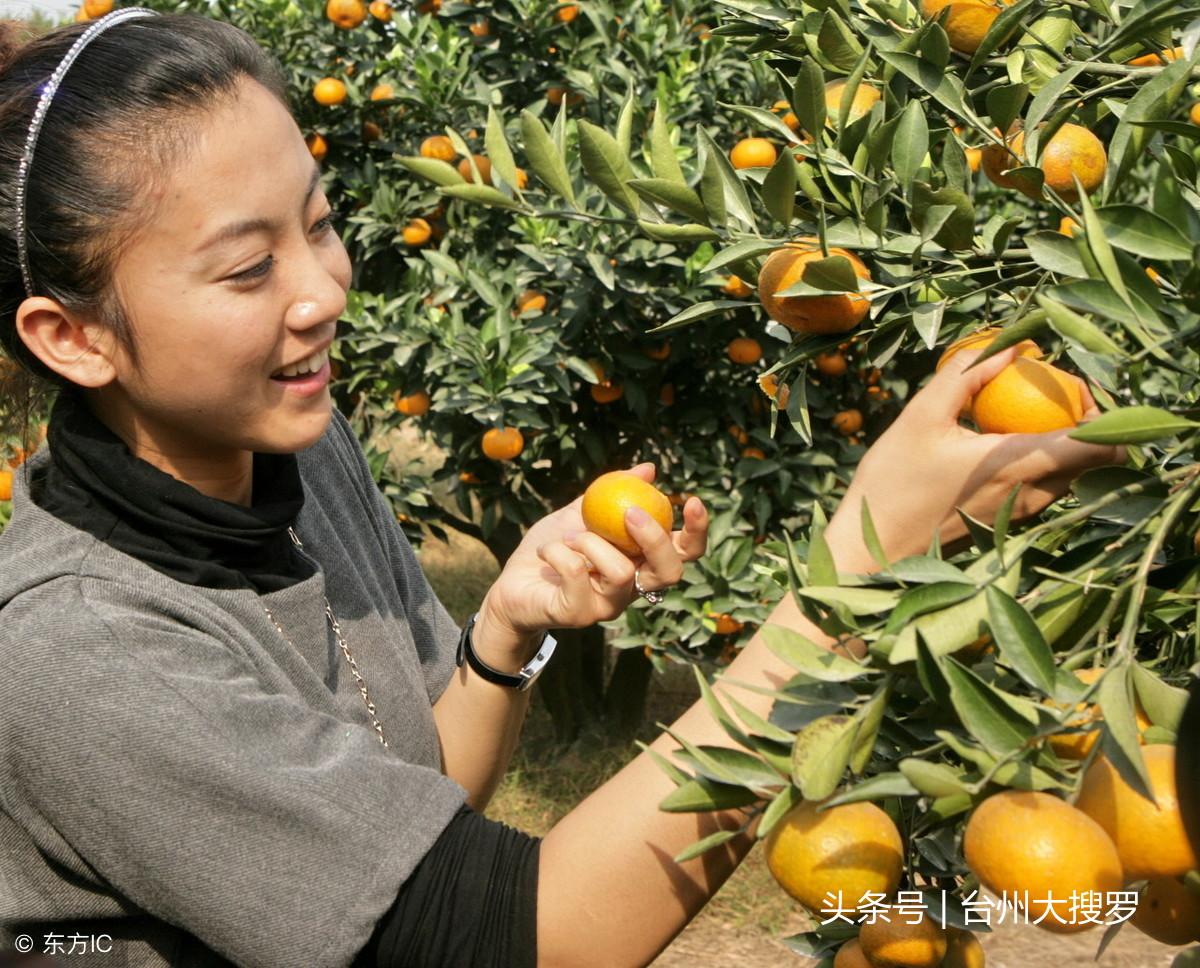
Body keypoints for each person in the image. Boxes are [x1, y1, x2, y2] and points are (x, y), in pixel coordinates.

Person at [0, 9, 1125, 968]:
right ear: (75, 336)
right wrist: (854, 579)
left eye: (320, 222)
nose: (323, 289)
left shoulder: (297, 448)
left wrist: (503, 632)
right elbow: (505, 940)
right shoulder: (80, 649)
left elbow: (423, 800)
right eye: (250, 267)